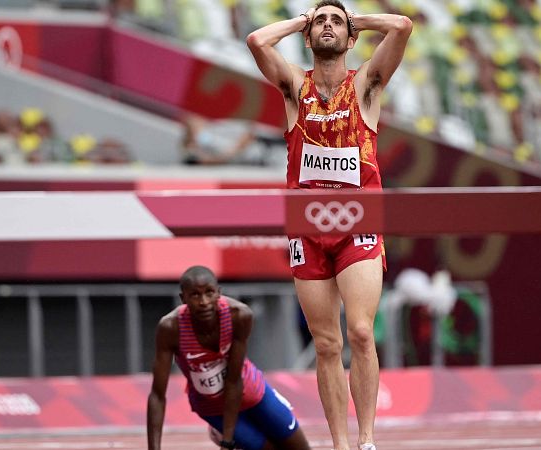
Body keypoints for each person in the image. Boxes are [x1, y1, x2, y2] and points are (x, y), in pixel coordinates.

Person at [247, 3, 412, 449]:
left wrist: (358, 17)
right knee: (325, 344)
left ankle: (366, 441)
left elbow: (402, 26)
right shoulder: (294, 90)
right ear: (307, 35)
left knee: (359, 331)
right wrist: (301, 19)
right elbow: (257, 41)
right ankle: (339, 444)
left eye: (336, 22)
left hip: (359, 223)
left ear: (351, 37)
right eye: (320, 21)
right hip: (307, 229)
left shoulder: (366, 86)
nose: (327, 26)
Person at [147, 266, 310, 450]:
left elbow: (234, 380)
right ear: (183, 299)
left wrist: (227, 441)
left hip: (253, 394)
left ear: (219, 293)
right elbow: (157, 395)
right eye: (195, 295)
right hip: (211, 407)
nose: (204, 302)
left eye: (209, 293)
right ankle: (222, 431)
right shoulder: (170, 328)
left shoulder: (239, 316)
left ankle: (224, 433)